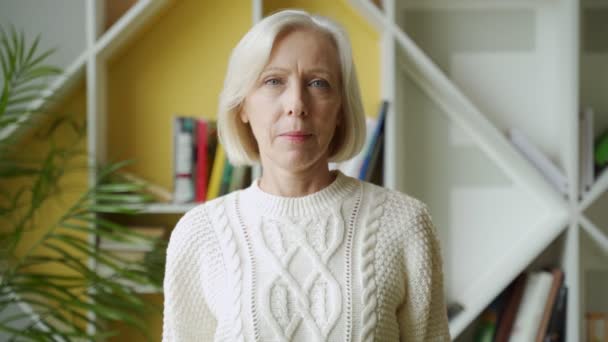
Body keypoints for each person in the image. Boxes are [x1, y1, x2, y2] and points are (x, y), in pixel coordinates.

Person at [162, 9, 450, 342]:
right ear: (242, 105)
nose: (296, 104)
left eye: (318, 83)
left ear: (341, 108)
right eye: (273, 81)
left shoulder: (404, 224)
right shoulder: (200, 234)